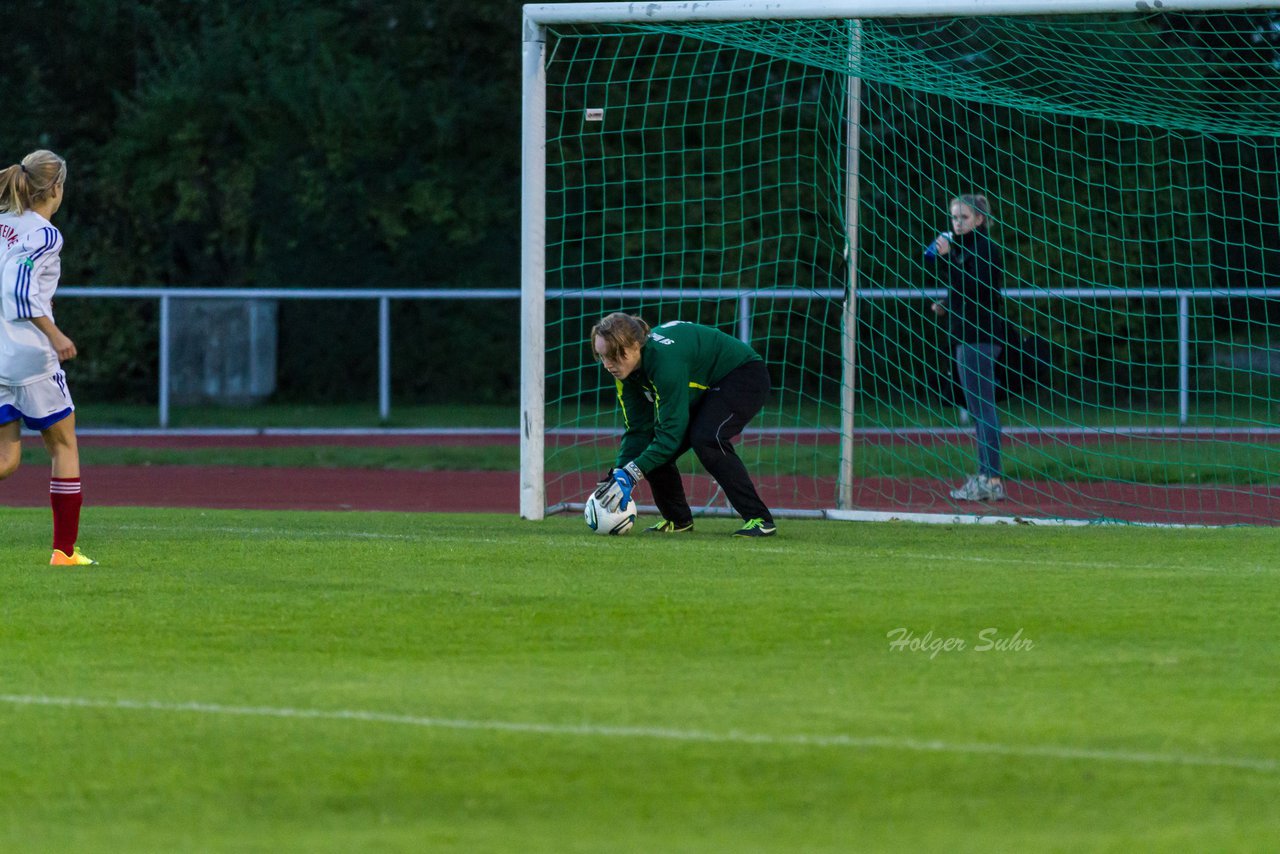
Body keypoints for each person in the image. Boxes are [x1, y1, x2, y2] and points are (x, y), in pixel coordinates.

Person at [590, 312, 777, 537]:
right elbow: (638, 430)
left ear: (635, 345)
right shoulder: (624, 374)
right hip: (705, 385)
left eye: (614, 355)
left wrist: (631, 474)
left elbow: (670, 435)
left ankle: (760, 519)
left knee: (707, 438)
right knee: (651, 451)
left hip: (744, 374)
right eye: (602, 356)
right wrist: (618, 473)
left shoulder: (665, 362)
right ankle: (678, 521)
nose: (607, 364)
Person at [0, 149, 96, 565]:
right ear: (55, 188)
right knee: (64, 446)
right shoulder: (44, 234)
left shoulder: (2, 223)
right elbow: (18, 289)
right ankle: (64, 552)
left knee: (6, 459)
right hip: (28, 355)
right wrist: (55, 334)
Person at [925, 193, 1008, 502]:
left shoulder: (984, 248)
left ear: (979, 220)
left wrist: (947, 259)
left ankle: (992, 479)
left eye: (963, 218)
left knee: (983, 409)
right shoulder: (970, 248)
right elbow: (967, 290)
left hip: (979, 338)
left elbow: (979, 289)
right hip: (969, 334)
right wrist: (948, 305)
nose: (956, 223)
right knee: (978, 409)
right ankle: (987, 476)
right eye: (954, 217)